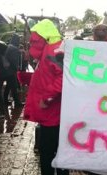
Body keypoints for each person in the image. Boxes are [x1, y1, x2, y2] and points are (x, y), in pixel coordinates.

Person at [23, 19, 68, 175]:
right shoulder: (51, 49)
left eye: (34, 39)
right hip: (51, 113)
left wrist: (47, 98)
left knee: (49, 152)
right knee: (53, 151)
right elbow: (50, 75)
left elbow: (63, 78)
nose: (32, 43)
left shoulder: (53, 51)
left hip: (52, 113)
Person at [2, 34, 23, 108]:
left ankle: (4, 101)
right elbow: (14, 61)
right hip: (11, 71)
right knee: (13, 87)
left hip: (7, 70)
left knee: (8, 86)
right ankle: (17, 103)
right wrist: (16, 68)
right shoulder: (14, 49)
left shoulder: (10, 46)